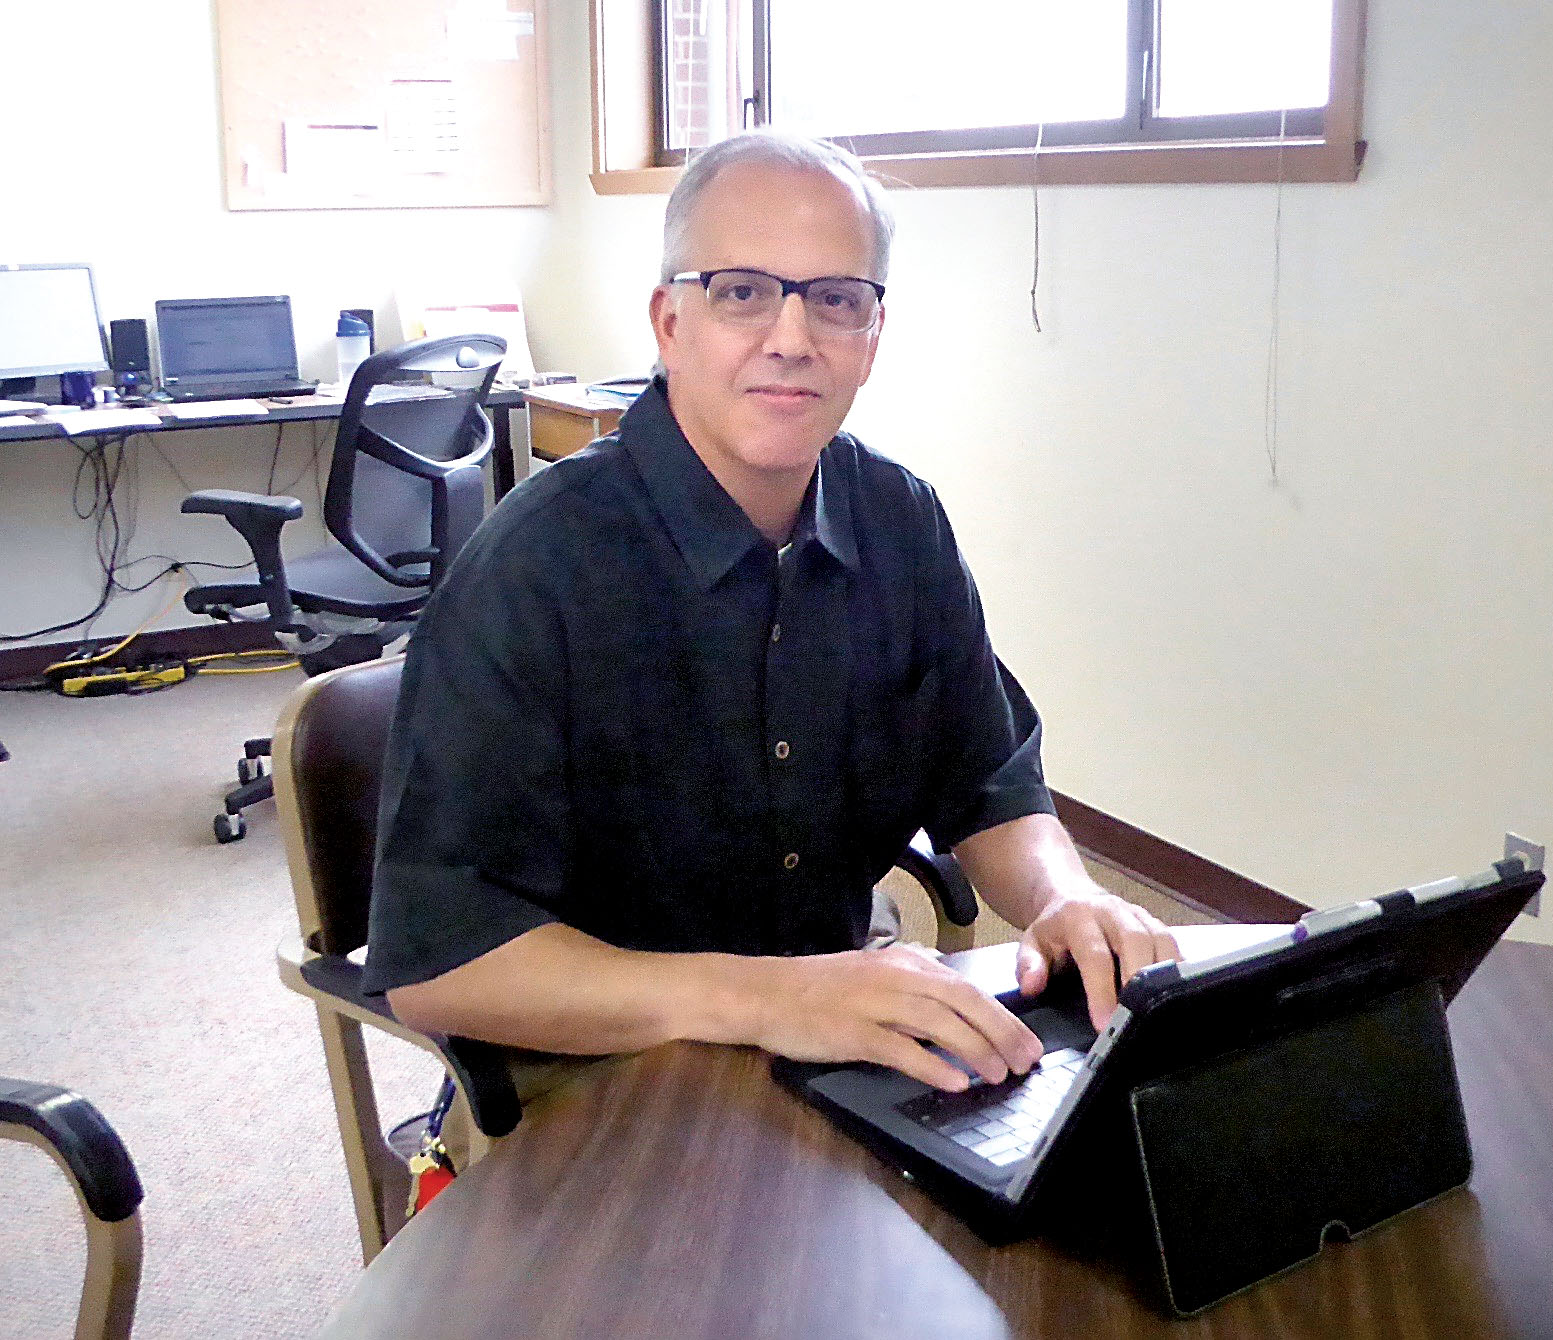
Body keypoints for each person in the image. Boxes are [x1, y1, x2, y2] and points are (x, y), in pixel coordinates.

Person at [363, 131, 1179, 1094]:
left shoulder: (898, 522)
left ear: (872, 338)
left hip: (840, 1040)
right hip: (609, 1071)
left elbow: (988, 780)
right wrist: (771, 999)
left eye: (836, 299)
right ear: (670, 323)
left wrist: (1064, 897)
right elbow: (442, 964)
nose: (792, 338)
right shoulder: (537, 568)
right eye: (742, 291)